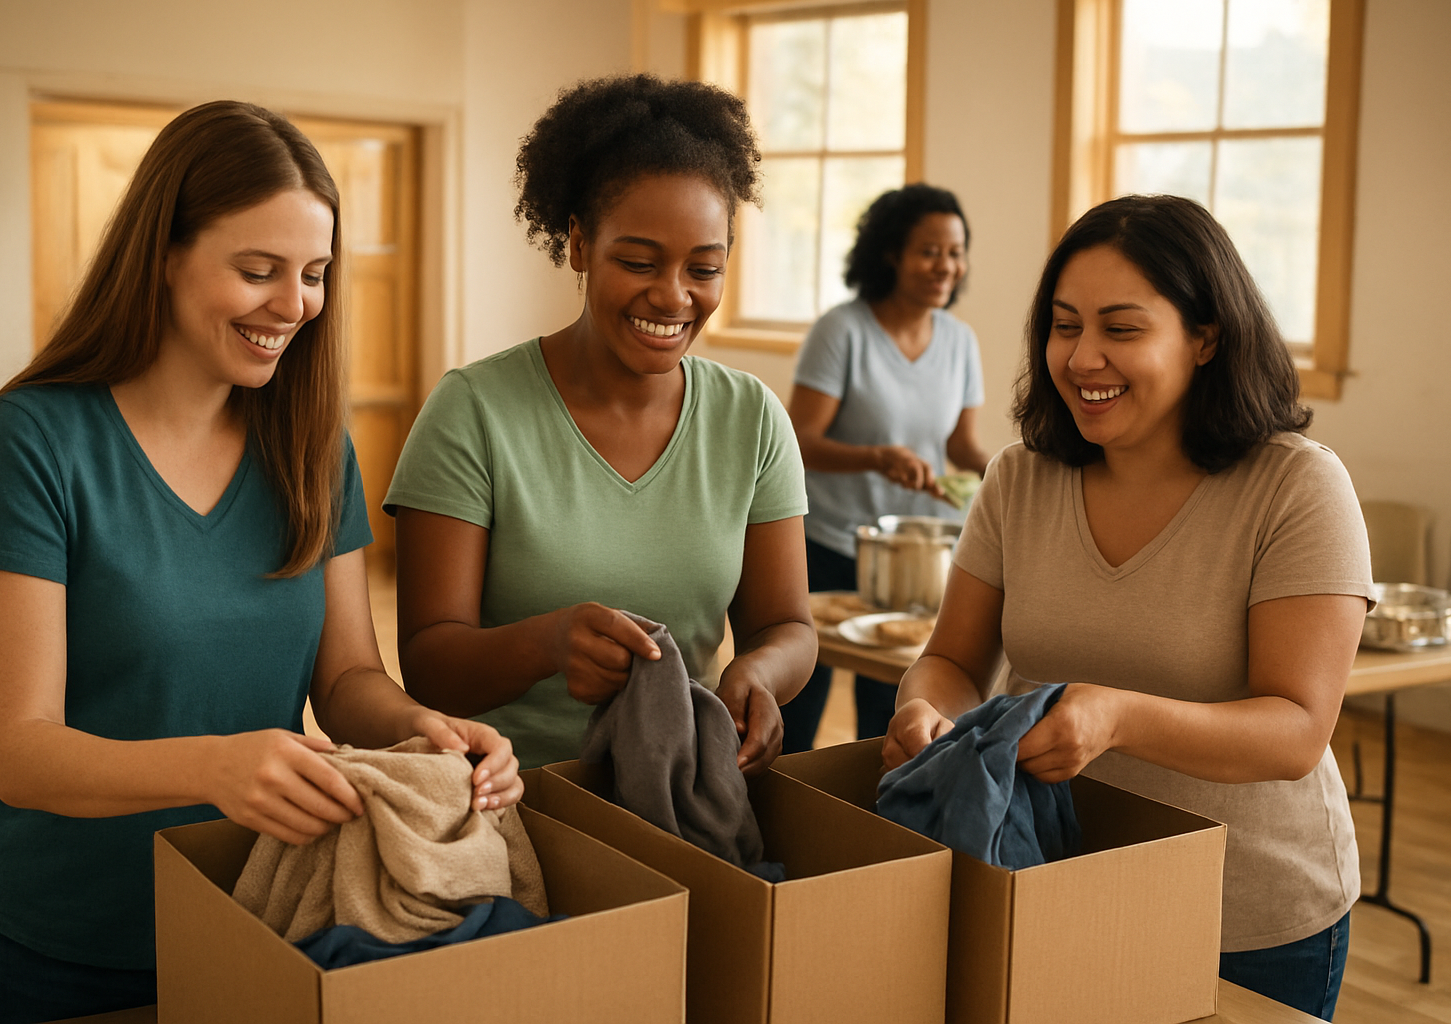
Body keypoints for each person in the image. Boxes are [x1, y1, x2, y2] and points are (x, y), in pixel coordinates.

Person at [0, 101, 521, 1024]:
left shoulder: (314, 447)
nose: (293, 306)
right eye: (257, 270)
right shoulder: (34, 444)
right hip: (60, 945)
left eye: (315, 275)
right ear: (164, 255)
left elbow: (347, 677)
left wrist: (425, 730)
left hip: (259, 917)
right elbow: (19, 752)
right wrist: (213, 767)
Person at [883, 194, 1369, 1021]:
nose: (1082, 358)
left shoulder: (1297, 486)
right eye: (1064, 326)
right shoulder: (1020, 478)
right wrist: (928, 711)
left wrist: (1115, 717)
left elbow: (1296, 730)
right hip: (1049, 876)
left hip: (1247, 912)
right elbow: (954, 659)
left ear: (1205, 337)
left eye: (1121, 328)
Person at [386, 73, 816, 773]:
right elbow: (429, 665)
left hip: (679, 791)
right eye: (639, 262)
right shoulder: (473, 412)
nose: (673, 296)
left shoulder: (752, 419)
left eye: (704, 269)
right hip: (508, 797)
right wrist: (547, 644)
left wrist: (758, 674)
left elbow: (786, 625)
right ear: (580, 244)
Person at [780, 184, 990, 752]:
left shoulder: (960, 341)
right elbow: (800, 441)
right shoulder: (842, 331)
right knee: (799, 707)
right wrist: (876, 458)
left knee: (892, 714)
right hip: (830, 543)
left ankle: (875, 808)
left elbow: (961, 444)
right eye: (929, 251)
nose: (946, 266)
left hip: (912, 558)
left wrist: (1012, 472)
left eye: (955, 252)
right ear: (891, 253)